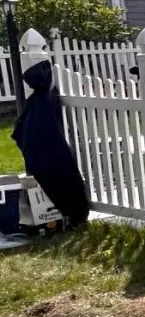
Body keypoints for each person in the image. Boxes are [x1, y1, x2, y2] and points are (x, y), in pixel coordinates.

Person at [12, 59, 90, 226]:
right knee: (66, 181)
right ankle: (75, 215)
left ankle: (71, 216)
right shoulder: (47, 97)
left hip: (39, 154)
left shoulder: (35, 100)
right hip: (52, 152)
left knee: (57, 184)